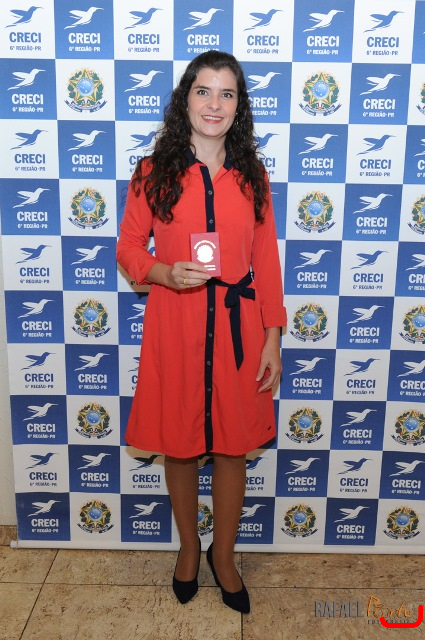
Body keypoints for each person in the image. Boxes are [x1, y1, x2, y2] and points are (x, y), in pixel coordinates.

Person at [116, 50, 287, 614]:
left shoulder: (253, 176)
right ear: (185, 98)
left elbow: (266, 260)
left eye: (227, 94)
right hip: (176, 324)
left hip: (239, 330)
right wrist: (162, 272)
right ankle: (189, 549)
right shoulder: (152, 172)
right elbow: (127, 247)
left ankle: (225, 555)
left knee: (234, 446)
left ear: (239, 107)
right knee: (181, 444)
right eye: (204, 91)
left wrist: (272, 336)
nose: (214, 104)